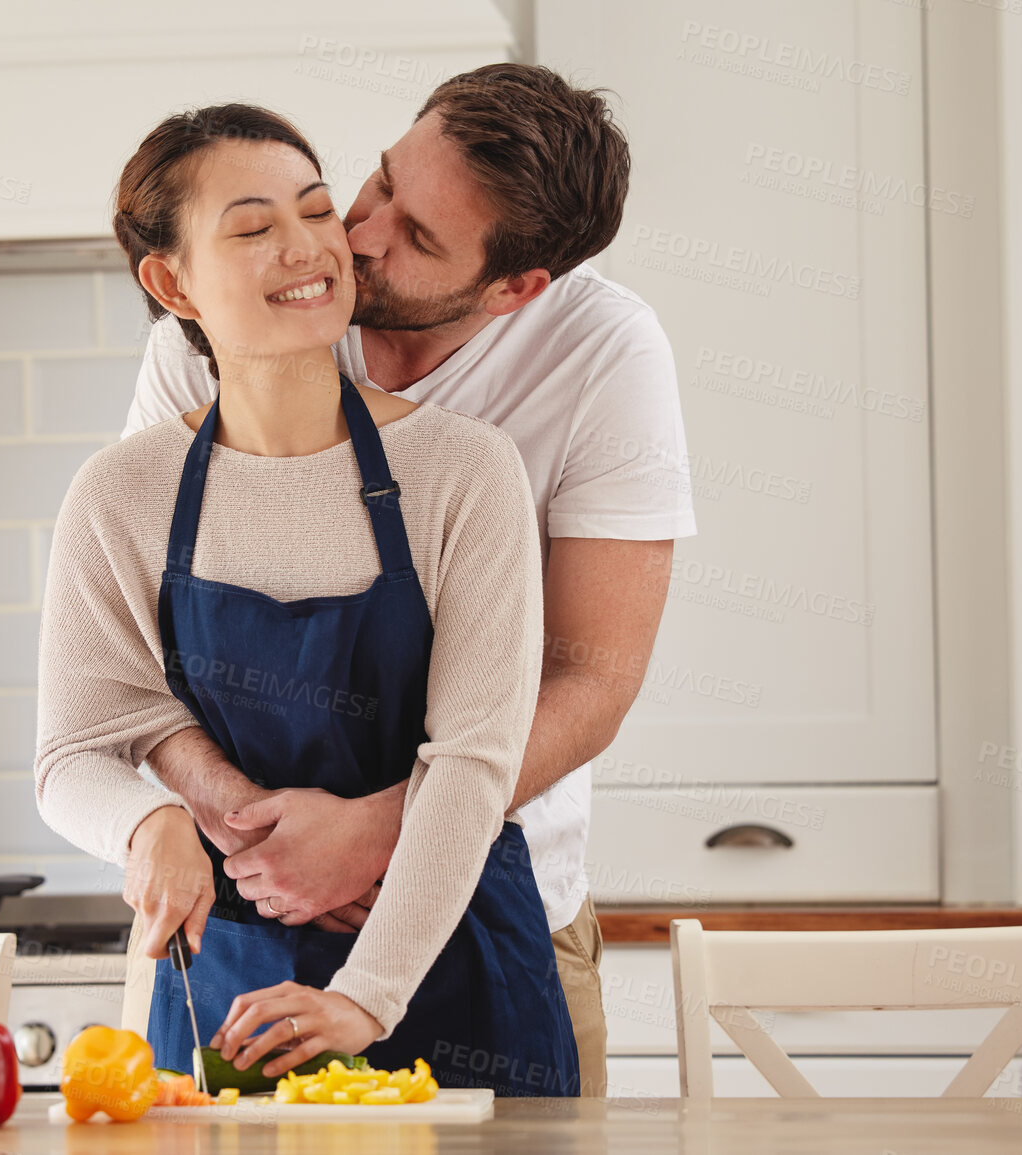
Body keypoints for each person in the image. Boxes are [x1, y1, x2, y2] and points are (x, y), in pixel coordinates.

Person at [118, 63, 697, 1096]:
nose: (360, 234)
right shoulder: (210, 335)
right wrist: (248, 830)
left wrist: (381, 834)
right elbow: (136, 662)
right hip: (243, 916)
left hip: (497, 912)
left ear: (517, 288)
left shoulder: (600, 353)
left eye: (421, 236)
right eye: (380, 183)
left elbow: (592, 677)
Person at [35, 102, 577, 1095]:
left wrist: (367, 997)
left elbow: (473, 763)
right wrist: (150, 825)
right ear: (171, 281)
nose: (309, 246)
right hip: (231, 987)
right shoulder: (123, 491)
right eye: (252, 228)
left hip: (457, 969)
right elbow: (76, 751)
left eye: (319, 209)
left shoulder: (466, 472)